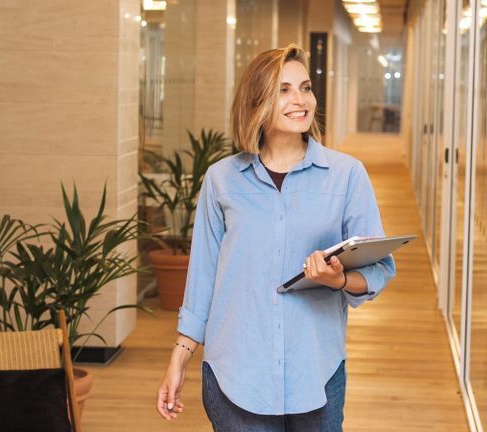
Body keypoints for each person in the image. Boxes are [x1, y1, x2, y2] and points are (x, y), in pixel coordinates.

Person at [156, 43, 396, 432]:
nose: (300, 100)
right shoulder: (221, 180)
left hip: (316, 374)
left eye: (305, 87)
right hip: (235, 375)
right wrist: (178, 359)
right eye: (283, 90)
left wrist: (338, 279)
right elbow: (201, 281)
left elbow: (380, 267)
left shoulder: (347, 175)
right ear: (257, 101)